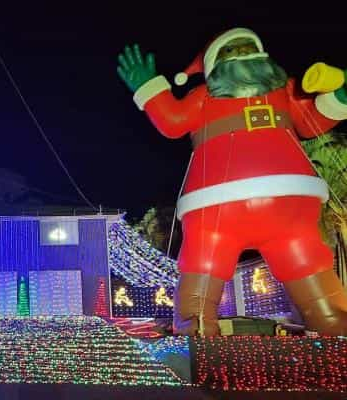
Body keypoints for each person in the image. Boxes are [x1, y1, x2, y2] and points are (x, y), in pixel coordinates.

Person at [118, 27, 347, 335]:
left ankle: (331, 320)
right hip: (216, 210)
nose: (241, 55)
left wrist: (340, 95)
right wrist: (147, 86)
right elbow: (172, 121)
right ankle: (195, 328)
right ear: (214, 66)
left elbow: (312, 120)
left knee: (307, 264)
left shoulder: (286, 94)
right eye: (231, 51)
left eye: (246, 47)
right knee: (202, 269)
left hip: (289, 211)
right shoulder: (202, 99)